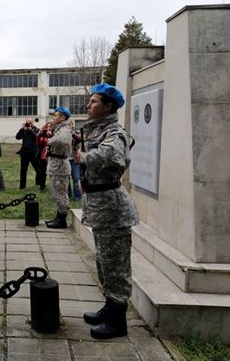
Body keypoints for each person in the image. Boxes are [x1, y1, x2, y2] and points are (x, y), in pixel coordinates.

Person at [74, 83, 139, 340]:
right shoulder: (98, 130)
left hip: (113, 210)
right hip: (102, 208)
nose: (88, 106)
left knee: (116, 265)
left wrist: (84, 156)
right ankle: (109, 308)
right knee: (104, 262)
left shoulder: (114, 132)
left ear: (109, 106)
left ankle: (118, 322)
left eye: (94, 102)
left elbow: (113, 155)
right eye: (89, 101)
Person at [45, 107, 73, 229]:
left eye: (56, 116)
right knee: (56, 192)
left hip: (60, 166)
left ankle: (62, 219)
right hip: (56, 165)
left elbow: (62, 141)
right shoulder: (59, 129)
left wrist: (50, 141)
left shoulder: (64, 130)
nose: (53, 118)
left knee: (60, 193)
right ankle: (58, 216)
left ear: (62, 117)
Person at [15, 117, 41, 189]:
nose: (29, 124)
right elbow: (17, 137)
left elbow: (36, 138)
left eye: (30, 123)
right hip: (24, 152)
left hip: (34, 152)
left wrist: (31, 131)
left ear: (33, 123)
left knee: (38, 169)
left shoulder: (36, 129)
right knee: (23, 170)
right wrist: (21, 129)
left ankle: (39, 183)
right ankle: (22, 186)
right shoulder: (24, 130)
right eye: (28, 122)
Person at [68, 119, 82, 202]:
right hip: (65, 159)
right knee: (66, 179)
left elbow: (80, 143)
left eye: (69, 124)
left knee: (76, 178)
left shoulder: (77, 134)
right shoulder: (62, 134)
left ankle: (78, 197)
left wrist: (72, 135)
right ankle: (68, 196)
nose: (68, 126)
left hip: (74, 159)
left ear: (72, 125)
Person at [36, 121, 53, 191]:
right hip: (43, 155)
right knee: (43, 171)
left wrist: (51, 135)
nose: (49, 128)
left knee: (52, 172)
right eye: (48, 126)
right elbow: (38, 143)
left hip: (52, 155)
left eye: (50, 126)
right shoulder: (43, 135)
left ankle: (53, 187)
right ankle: (42, 186)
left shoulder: (56, 134)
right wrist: (39, 135)